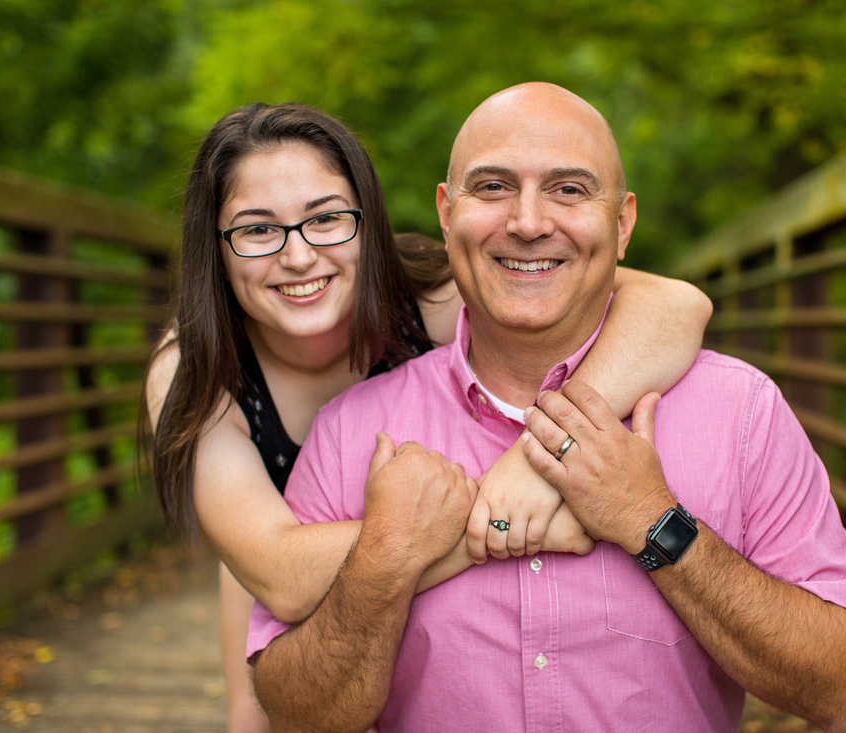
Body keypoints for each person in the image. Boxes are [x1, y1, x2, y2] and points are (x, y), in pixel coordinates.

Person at [247, 83, 846, 733]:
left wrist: (653, 520)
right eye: (492, 187)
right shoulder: (353, 429)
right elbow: (297, 716)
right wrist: (383, 560)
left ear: (623, 222)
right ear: (446, 214)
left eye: (569, 190)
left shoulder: (741, 411)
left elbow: (843, 689)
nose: (527, 223)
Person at [141, 102, 713, 732]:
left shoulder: (429, 293)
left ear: (367, 223)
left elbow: (674, 304)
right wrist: (508, 518)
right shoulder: (194, 371)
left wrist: (544, 456)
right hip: (274, 547)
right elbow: (278, 572)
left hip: (395, 533)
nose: (299, 257)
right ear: (214, 247)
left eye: (327, 219)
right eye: (256, 230)